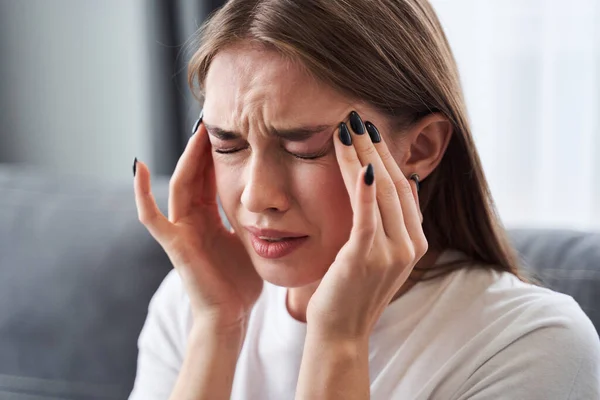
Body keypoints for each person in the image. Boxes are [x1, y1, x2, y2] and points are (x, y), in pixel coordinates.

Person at [128, 0, 600, 399]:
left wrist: (339, 342)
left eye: (304, 148)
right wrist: (217, 328)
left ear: (421, 148)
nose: (257, 195)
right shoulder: (191, 305)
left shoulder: (530, 345)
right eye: (228, 144)